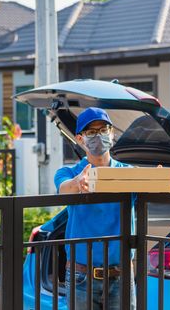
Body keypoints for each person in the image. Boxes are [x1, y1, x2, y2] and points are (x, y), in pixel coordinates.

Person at [54, 107, 134, 310]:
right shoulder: (69, 172)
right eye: (91, 132)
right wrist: (77, 183)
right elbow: (63, 188)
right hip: (81, 276)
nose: (98, 136)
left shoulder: (130, 174)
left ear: (112, 134)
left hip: (121, 274)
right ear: (80, 139)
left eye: (103, 130)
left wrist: (157, 180)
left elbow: (155, 189)